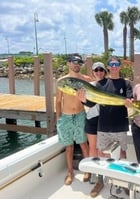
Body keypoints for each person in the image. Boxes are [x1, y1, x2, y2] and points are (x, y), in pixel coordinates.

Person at [79, 56, 132, 197]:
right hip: (103, 126)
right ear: (108, 67)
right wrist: (83, 100)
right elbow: (91, 104)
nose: (114, 66)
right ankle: (100, 181)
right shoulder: (100, 84)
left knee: (122, 154)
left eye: (116, 64)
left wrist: (130, 103)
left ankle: (122, 181)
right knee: (101, 155)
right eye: (111, 64)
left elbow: (130, 99)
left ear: (120, 66)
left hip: (120, 125)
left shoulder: (125, 83)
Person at [55, 53, 90, 185]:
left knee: (83, 145)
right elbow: (58, 101)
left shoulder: (86, 79)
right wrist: (58, 119)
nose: (76, 65)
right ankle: (70, 172)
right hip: (66, 116)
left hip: (80, 115)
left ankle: (87, 170)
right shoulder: (62, 81)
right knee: (68, 147)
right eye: (74, 62)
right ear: (68, 63)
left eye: (79, 62)